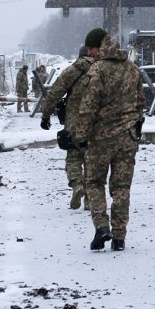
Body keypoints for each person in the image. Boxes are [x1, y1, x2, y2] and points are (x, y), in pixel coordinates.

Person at [73, 29, 144, 252]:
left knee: (94, 183)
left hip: (101, 139)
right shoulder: (132, 68)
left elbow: (89, 106)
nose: (89, 53)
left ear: (99, 47)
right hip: (127, 138)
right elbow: (141, 102)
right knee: (122, 187)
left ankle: (102, 226)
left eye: (91, 49)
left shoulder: (97, 70)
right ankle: (120, 237)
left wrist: (81, 136)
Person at [39, 45, 96, 209]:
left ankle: (77, 184)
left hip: (74, 123)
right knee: (92, 159)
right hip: (96, 123)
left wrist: (45, 116)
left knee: (73, 157)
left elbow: (54, 94)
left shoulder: (71, 71)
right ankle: (89, 199)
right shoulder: (103, 71)